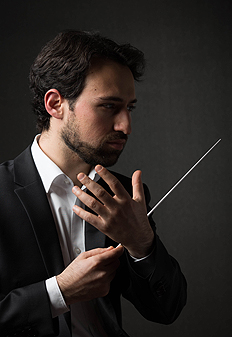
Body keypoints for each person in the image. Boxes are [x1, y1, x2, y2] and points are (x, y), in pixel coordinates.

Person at [0, 30, 187, 337]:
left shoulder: (124, 197)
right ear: (55, 103)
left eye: (130, 108)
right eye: (109, 106)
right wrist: (58, 292)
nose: (126, 126)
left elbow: (167, 309)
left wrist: (143, 245)